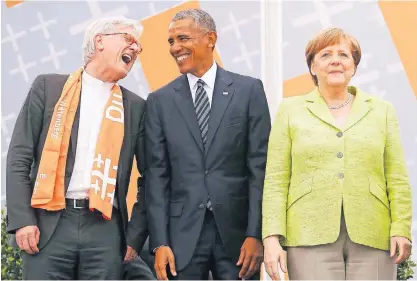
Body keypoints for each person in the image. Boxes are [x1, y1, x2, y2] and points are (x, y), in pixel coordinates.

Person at [262, 27, 412, 280]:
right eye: (325, 54)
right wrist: (271, 238)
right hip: (308, 233)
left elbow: (396, 177)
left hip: (373, 233)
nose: (335, 60)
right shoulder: (290, 110)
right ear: (312, 67)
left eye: (343, 55)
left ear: (353, 66)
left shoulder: (382, 111)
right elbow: (276, 179)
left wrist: (401, 228)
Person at [6, 17, 150, 279]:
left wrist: (134, 235)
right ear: (99, 41)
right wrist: (23, 220)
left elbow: (150, 177)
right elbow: (19, 156)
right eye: (128, 39)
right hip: (49, 223)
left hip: (105, 229)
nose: (136, 49)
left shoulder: (136, 106)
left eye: (139, 46)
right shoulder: (49, 88)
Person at [145, 8, 271, 280]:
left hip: (239, 240)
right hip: (180, 240)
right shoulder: (159, 101)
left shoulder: (249, 91)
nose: (175, 48)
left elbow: (260, 169)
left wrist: (256, 233)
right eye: (171, 42)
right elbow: (156, 176)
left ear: (210, 39)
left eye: (182, 39)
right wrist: (159, 242)